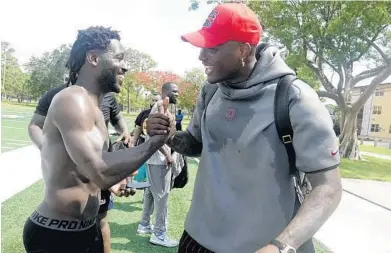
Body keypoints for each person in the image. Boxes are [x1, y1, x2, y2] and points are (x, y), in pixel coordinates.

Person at [147, 3, 342, 253]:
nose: (201, 55)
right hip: (197, 238)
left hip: (261, 246)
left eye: (213, 48)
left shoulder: (294, 98)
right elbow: (196, 144)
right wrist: (169, 135)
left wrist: (282, 246)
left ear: (242, 49)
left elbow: (328, 188)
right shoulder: (211, 90)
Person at [23, 26, 171, 253]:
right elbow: (101, 171)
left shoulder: (94, 106)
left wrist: (117, 182)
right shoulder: (72, 99)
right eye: (119, 58)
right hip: (55, 238)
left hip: (85, 229)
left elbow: (96, 169)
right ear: (93, 57)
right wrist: (155, 142)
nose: (125, 67)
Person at [28, 85, 131, 253]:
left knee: (101, 219)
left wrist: (125, 132)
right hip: (68, 175)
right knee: (68, 215)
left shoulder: (107, 96)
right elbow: (34, 125)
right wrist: (48, 150)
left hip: (97, 168)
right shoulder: (57, 94)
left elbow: (118, 120)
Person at [137, 82, 179, 248]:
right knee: (162, 196)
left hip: (154, 158)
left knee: (150, 192)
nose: (178, 94)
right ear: (166, 92)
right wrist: (168, 154)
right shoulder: (160, 106)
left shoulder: (163, 107)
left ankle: (145, 224)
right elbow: (156, 136)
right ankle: (159, 234)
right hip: (159, 159)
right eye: (175, 91)